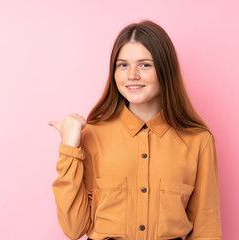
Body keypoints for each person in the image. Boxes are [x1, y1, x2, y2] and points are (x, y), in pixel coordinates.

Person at [49, 20, 222, 240]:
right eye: (123, 65)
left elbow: (207, 228)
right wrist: (69, 148)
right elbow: (74, 228)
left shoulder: (198, 140)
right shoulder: (92, 135)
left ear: (165, 69)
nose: (132, 75)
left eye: (145, 65)